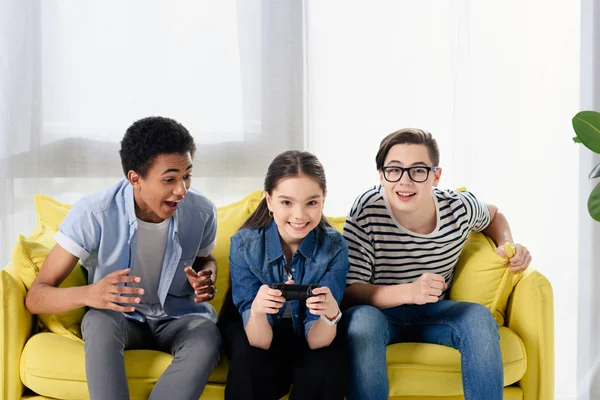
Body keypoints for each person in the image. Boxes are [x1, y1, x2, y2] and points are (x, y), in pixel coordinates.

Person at [25, 116, 221, 400]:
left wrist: (207, 278)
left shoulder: (201, 211)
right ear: (135, 179)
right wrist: (90, 294)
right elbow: (36, 296)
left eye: (187, 175)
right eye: (169, 179)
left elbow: (207, 260)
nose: (182, 190)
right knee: (98, 321)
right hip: (121, 319)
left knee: (207, 336)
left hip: (179, 319)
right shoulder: (94, 213)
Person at [342, 128, 532, 400]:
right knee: (361, 321)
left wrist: (506, 244)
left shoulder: (457, 207)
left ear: (435, 176)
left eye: (418, 171)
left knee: (478, 317)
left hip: (434, 314)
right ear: (381, 176)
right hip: (379, 313)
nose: (405, 182)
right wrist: (408, 291)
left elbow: (494, 215)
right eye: (394, 170)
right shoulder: (366, 209)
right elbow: (350, 292)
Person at [218, 150, 349, 400]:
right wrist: (258, 309)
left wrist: (331, 314)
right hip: (256, 331)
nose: (299, 216)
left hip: (309, 333)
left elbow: (317, 340)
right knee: (248, 360)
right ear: (269, 201)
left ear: (323, 200)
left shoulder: (335, 247)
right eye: (286, 202)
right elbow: (260, 340)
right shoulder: (245, 245)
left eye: (311, 202)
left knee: (330, 363)